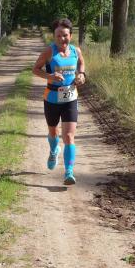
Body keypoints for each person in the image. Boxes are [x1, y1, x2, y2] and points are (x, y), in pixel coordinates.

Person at [32, 18, 86, 185]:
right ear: (54, 36)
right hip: (52, 99)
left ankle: (69, 172)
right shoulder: (49, 52)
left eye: (65, 35)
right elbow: (35, 69)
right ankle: (54, 149)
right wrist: (50, 76)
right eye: (58, 36)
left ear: (71, 35)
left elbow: (81, 63)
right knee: (53, 132)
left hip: (70, 98)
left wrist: (81, 74)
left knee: (69, 136)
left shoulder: (76, 51)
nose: (62, 39)